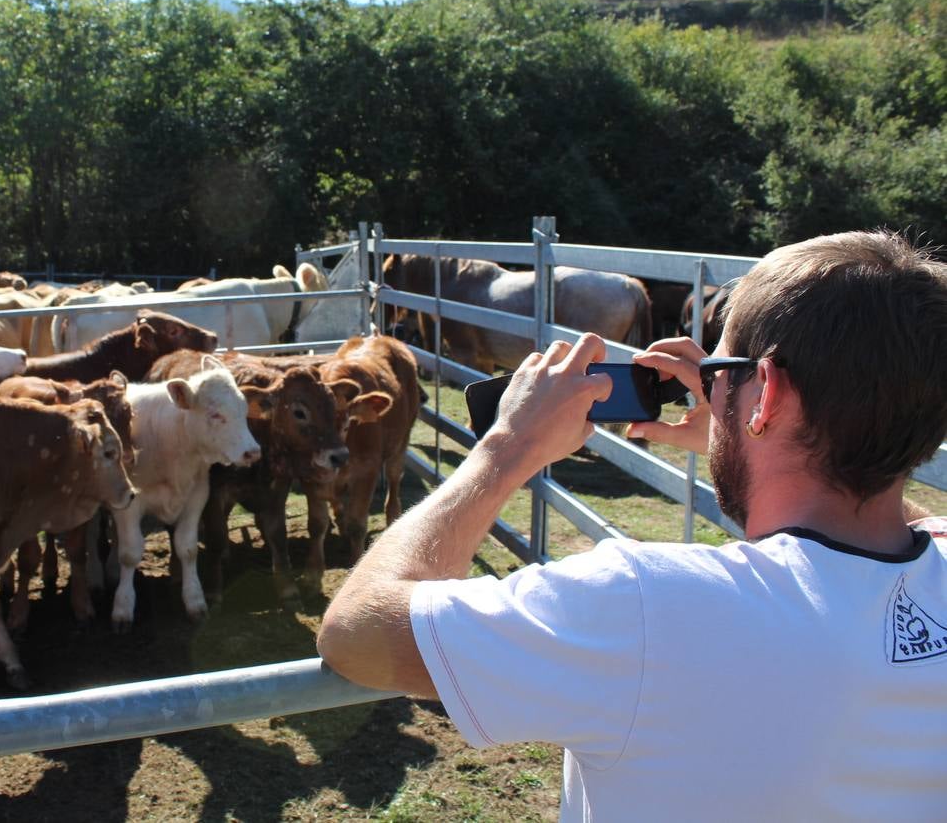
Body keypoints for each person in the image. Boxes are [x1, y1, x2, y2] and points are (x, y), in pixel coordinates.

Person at [317, 230, 947, 822]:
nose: (710, 387)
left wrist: (505, 447)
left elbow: (356, 635)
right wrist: (743, 428)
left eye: (720, 372)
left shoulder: (646, 604)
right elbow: (882, 517)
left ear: (770, 396)